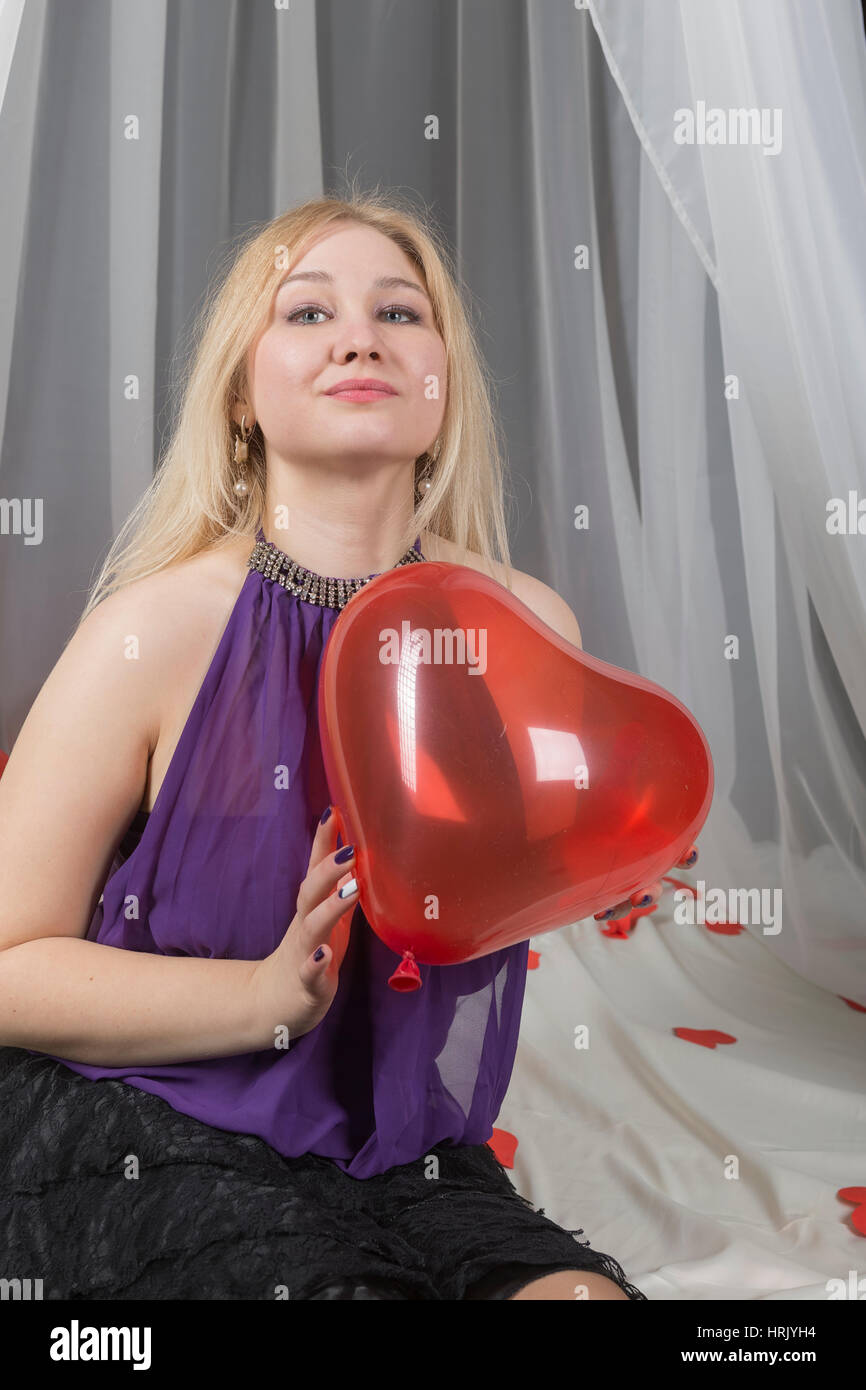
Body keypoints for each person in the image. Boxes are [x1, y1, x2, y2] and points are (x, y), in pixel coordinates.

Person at [0, 189, 693, 1300]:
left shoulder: (523, 629)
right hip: (147, 1113)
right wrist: (261, 1000)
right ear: (240, 393)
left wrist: (607, 851)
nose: (360, 335)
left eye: (399, 312)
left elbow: (487, 893)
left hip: (393, 1140)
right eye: (308, 313)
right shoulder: (151, 631)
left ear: (441, 385)